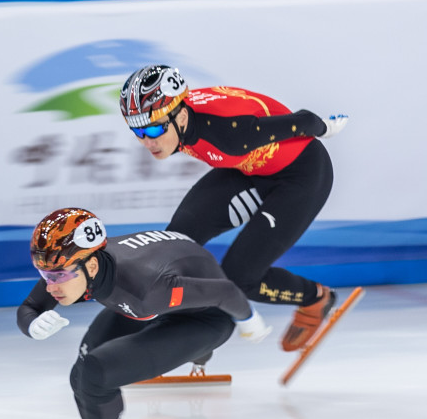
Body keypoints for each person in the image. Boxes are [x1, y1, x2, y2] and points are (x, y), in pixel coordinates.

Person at [17, 207, 269, 419]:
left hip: (206, 319)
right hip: (160, 300)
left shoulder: (145, 289)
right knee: (81, 370)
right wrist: (32, 324)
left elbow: (226, 291)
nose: (50, 286)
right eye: (45, 276)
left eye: (58, 277)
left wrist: (249, 320)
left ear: (90, 265)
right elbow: (32, 306)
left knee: (96, 374)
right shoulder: (79, 261)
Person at [119, 65, 348, 352]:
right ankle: (168, 337)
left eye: (154, 128)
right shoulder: (181, 120)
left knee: (240, 278)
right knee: (173, 245)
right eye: (137, 131)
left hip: (301, 176)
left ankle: (314, 298)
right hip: (248, 170)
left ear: (182, 114)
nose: (147, 141)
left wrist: (327, 127)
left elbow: (304, 121)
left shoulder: (229, 134)